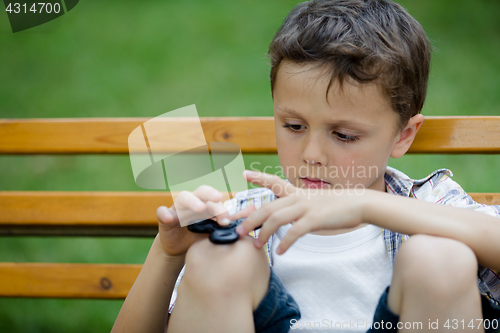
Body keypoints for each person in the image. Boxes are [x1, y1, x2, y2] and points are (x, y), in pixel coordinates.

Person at [111, 1, 500, 332]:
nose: (312, 153)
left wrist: (366, 206)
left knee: (442, 257)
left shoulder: (431, 202)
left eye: (344, 135)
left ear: (403, 135)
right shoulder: (243, 220)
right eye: (294, 127)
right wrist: (168, 254)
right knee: (218, 256)